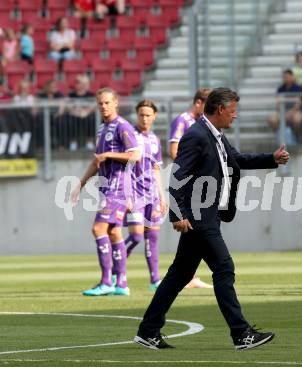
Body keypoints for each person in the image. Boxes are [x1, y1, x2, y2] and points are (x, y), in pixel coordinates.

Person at [134, 87, 290, 350]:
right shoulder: (196, 135)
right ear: (220, 110)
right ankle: (241, 334)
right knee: (224, 267)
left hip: (209, 215)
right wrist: (177, 214)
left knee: (179, 275)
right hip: (198, 217)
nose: (235, 117)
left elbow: (237, 160)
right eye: (232, 112)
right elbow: (177, 177)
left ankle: (148, 330)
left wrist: (271, 159)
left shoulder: (214, 135)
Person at [70, 87, 141, 296]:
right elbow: (97, 161)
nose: (103, 106)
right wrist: (80, 184)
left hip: (117, 188)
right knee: (113, 232)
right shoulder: (102, 129)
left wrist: (109, 154)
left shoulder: (122, 126)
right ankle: (122, 283)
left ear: (116, 102)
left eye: (107, 102)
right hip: (107, 186)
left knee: (98, 229)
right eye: (100, 103)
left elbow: (135, 155)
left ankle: (106, 281)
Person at [169, 87, 213, 289]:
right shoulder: (183, 120)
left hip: (198, 182)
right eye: (208, 105)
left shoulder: (201, 124)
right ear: (198, 103)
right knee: (193, 226)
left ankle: (189, 275)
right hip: (186, 182)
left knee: (194, 230)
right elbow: (173, 150)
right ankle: (187, 276)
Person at [124, 100, 167, 291]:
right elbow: (124, 167)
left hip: (152, 196)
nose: (144, 118)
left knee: (153, 238)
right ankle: (116, 272)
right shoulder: (129, 135)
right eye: (141, 114)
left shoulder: (155, 139)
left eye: (148, 115)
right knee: (136, 237)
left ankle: (155, 280)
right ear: (136, 114)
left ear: (154, 116)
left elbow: (156, 169)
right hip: (134, 194)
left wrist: (162, 196)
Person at [267, 69, 302, 144]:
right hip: (282, 112)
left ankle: (296, 138)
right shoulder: (280, 89)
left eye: (287, 76)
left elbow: (297, 104)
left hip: (294, 112)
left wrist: (288, 113)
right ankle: (280, 138)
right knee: (271, 119)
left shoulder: (297, 88)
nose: (286, 78)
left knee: (297, 120)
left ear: (292, 77)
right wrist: (283, 113)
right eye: (284, 77)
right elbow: (278, 104)